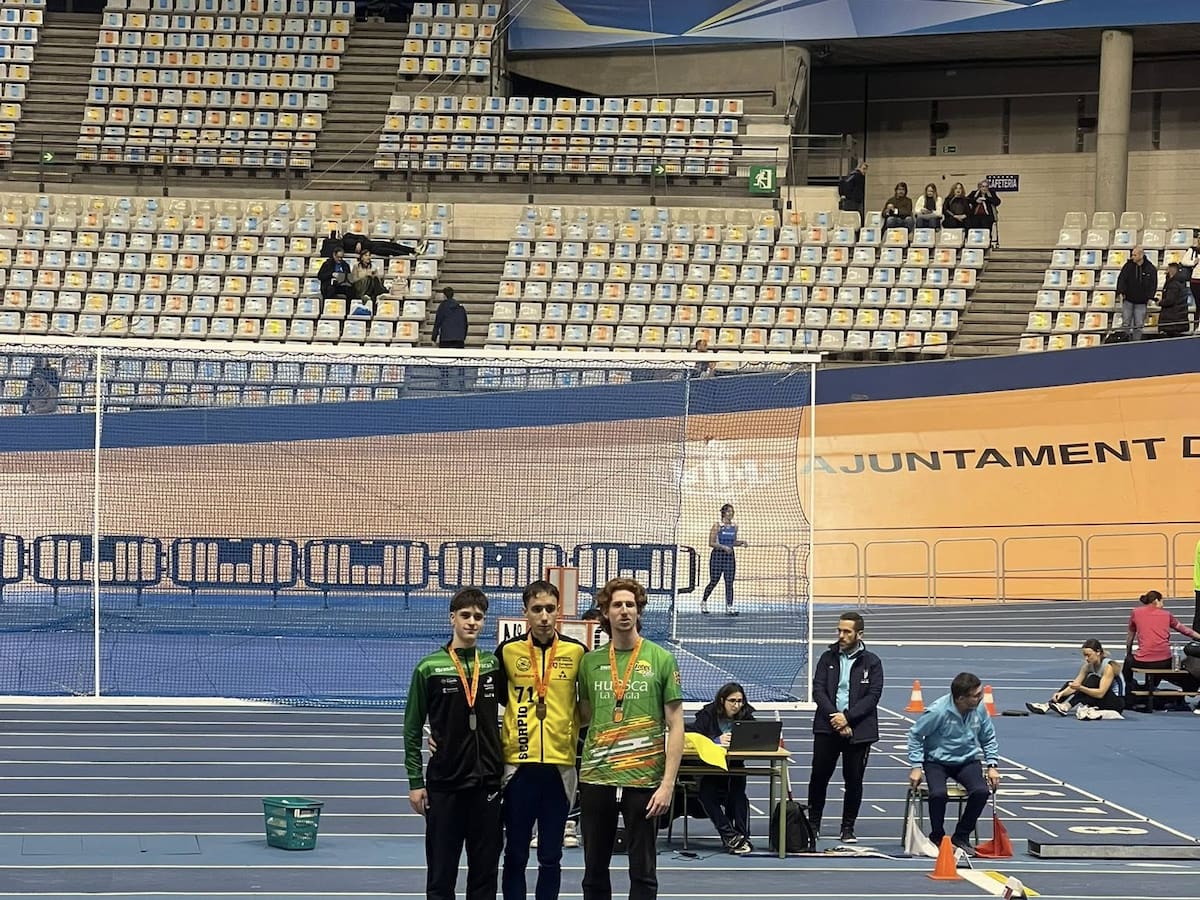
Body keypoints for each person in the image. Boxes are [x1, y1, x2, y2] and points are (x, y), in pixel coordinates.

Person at [578, 577, 684, 900]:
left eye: (630, 605)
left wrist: (667, 784)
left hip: (645, 780)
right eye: (616, 605)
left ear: (639, 611)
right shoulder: (589, 663)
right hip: (597, 777)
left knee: (643, 872)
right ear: (605, 613)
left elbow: (676, 725)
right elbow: (582, 718)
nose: (624, 611)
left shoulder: (661, 659)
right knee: (594, 872)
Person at [404, 588, 504, 900]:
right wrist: (415, 782)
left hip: (487, 785)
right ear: (452, 618)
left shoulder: (493, 665)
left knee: (485, 876)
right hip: (445, 786)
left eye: (478, 617)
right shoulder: (428, 668)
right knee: (440, 876)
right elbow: (411, 728)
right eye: (465, 616)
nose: (472, 622)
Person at [496, 580, 587, 900]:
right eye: (537, 610)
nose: (544, 616)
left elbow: (587, 706)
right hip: (519, 767)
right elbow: (490, 700)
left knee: (551, 856)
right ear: (526, 614)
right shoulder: (508, 652)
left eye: (550, 609)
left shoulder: (577, 652)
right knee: (516, 854)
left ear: (558, 611)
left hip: (560, 768)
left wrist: (569, 726)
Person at [807, 612, 882, 843]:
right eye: (839, 630)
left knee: (854, 780)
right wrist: (836, 718)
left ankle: (847, 828)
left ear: (859, 634)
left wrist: (847, 719)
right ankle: (813, 824)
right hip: (827, 728)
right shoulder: (826, 658)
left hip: (858, 731)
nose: (841, 635)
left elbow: (873, 696)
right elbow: (818, 690)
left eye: (847, 631)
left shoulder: (872, 662)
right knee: (819, 777)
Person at [906, 672, 1000, 857]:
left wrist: (992, 765)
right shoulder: (938, 711)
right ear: (960, 698)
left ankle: (961, 836)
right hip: (937, 762)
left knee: (981, 791)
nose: (981, 698)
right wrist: (916, 766)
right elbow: (915, 735)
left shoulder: (979, 709)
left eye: (980, 693)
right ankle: (938, 837)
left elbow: (988, 737)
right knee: (938, 794)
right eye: (976, 695)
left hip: (967, 760)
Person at [686, 682, 754, 854]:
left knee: (738, 797)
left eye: (740, 701)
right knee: (706, 795)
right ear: (722, 700)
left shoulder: (746, 715)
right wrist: (716, 740)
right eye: (732, 701)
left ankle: (742, 837)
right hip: (710, 767)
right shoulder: (707, 714)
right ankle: (729, 834)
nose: (737, 705)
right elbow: (694, 735)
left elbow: (755, 736)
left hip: (735, 767)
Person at [1123, 589, 1199, 709]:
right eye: (1162, 601)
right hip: (1163, 662)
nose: (1163, 605)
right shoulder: (1167, 615)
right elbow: (1184, 630)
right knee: (1162, 660)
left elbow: (1130, 638)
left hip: (1143, 662)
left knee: (1128, 662)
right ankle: (1184, 686)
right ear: (1156, 600)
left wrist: (1128, 654)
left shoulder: (1135, 612)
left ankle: (1128, 689)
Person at [1025, 639, 1125, 718]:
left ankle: (1066, 707)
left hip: (1116, 703)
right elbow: (1075, 685)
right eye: (1084, 655)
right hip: (1102, 699)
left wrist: (1080, 688)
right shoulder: (1088, 666)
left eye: (1088, 655)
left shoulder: (1108, 667)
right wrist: (1062, 693)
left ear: (1098, 652)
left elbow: (1100, 693)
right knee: (1070, 683)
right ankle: (1048, 705)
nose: (1086, 658)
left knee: (1092, 679)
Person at [699, 503, 746, 616]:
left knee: (729, 582)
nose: (731, 513)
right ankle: (704, 601)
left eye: (732, 511)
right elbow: (711, 543)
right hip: (717, 556)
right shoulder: (717, 526)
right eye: (729, 511)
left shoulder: (734, 527)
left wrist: (741, 543)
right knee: (714, 581)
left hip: (730, 557)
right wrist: (723, 547)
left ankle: (729, 607)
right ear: (724, 513)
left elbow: (733, 542)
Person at [1116, 246, 1157, 341]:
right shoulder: (1127, 266)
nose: (1132, 257)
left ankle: (1136, 343)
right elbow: (1121, 279)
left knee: (1138, 325)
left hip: (1142, 302)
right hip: (1128, 300)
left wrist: (1150, 297)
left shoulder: (1150, 268)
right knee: (1126, 323)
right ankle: (1124, 342)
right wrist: (1121, 292)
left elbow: (1153, 284)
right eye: (1132, 255)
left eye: (1134, 255)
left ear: (1141, 255)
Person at [1157, 261, 1190, 337]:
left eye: (1168, 269)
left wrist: (1160, 302)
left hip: (1172, 320)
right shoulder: (1182, 282)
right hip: (1179, 319)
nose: (1166, 271)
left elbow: (1170, 300)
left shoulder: (1173, 284)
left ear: (1171, 270)